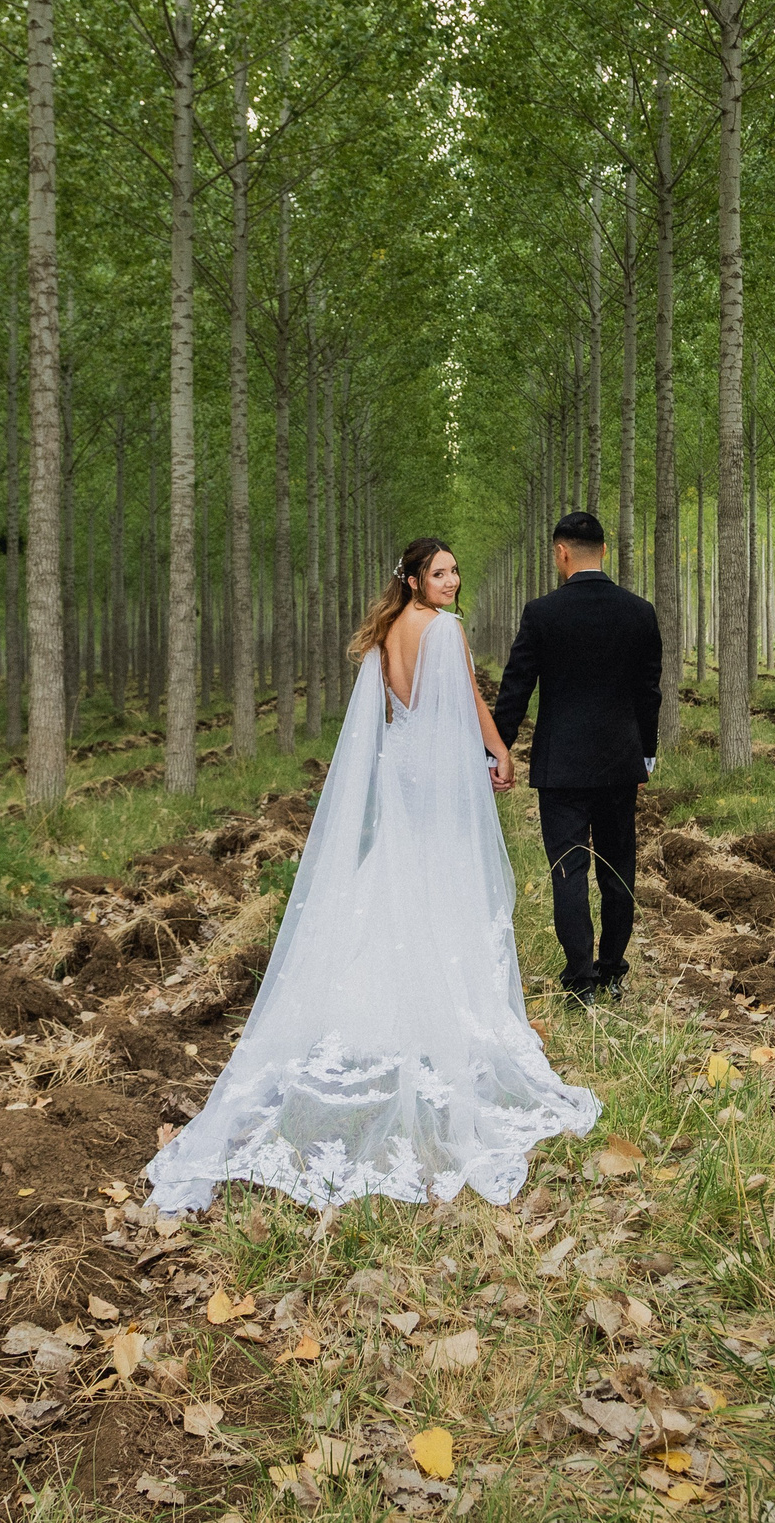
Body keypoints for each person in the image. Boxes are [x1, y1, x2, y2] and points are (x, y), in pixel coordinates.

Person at [145, 537, 601, 1213]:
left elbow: (394, 709)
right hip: (441, 765)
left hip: (402, 762)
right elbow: (472, 701)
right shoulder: (446, 629)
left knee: (398, 866)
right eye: (440, 572)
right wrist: (500, 751)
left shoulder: (388, 631)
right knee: (447, 874)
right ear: (415, 580)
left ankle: (382, 986)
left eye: (454, 570)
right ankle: (443, 995)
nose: (452, 580)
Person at [490, 512, 662, 1004]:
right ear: (603, 551)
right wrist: (645, 755)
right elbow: (648, 693)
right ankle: (613, 971)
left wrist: (496, 748)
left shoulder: (542, 613)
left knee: (569, 869)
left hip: (561, 766)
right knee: (617, 868)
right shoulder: (639, 612)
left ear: (561, 553)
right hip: (618, 763)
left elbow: (515, 688)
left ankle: (580, 980)